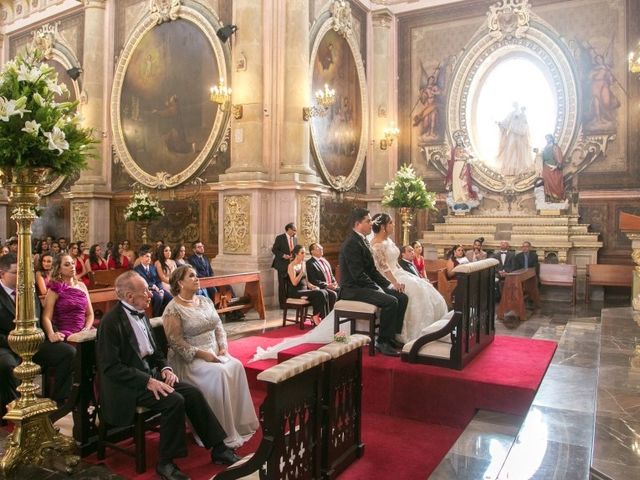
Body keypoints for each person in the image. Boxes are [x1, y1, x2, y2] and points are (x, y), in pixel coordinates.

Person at [96, 271, 240, 480]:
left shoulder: (141, 314)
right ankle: (165, 463)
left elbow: (154, 353)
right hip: (127, 386)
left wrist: (166, 369)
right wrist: (147, 381)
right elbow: (111, 368)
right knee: (174, 401)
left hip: (151, 376)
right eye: (145, 290)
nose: (150, 293)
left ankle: (219, 448)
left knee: (192, 393)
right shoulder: (111, 322)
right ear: (128, 296)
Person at [162, 266, 259, 449]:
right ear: (180, 283)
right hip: (189, 359)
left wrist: (223, 347)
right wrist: (203, 354)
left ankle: (238, 423)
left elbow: (218, 327)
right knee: (219, 373)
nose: (197, 278)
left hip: (214, 352)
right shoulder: (172, 309)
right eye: (191, 276)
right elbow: (176, 342)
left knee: (236, 366)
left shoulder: (205, 301)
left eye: (197, 275)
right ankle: (219, 430)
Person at [0, 253, 75, 412]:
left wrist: (52, 332)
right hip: (6, 345)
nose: (21, 277)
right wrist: (12, 340)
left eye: (22, 273)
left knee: (68, 352)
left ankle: (59, 402)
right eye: (16, 273)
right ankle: (15, 409)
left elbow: (41, 316)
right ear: (2, 273)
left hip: (33, 343)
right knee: (7, 366)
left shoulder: (28, 289)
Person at [370, 214, 448, 344]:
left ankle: (433, 329)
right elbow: (384, 267)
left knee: (423, 285)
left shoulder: (388, 241)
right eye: (391, 223)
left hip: (398, 272)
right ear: (383, 227)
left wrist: (407, 273)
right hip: (386, 277)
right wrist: (395, 282)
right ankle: (410, 333)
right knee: (415, 290)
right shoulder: (377, 244)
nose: (393, 225)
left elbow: (394, 261)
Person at [340, 209, 408, 356]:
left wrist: (389, 285)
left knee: (402, 297)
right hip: (352, 289)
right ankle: (382, 342)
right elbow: (358, 275)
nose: (372, 224)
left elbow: (372, 271)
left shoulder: (362, 240)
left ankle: (391, 338)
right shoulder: (351, 243)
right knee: (391, 301)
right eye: (368, 221)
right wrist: (378, 289)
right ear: (358, 224)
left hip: (362, 286)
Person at [41, 254, 95, 341]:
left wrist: (86, 329)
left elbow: (90, 314)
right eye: (67, 264)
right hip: (65, 333)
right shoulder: (54, 289)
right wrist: (51, 334)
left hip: (83, 331)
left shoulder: (81, 286)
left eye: (73, 263)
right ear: (59, 269)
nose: (72, 266)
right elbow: (46, 317)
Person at [287, 245, 331, 325]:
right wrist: (301, 272)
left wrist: (312, 286)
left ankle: (323, 317)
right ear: (296, 254)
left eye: (305, 252)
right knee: (320, 293)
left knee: (324, 292)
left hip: (305, 290)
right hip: (296, 292)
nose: (304, 254)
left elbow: (306, 281)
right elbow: (294, 283)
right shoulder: (291, 266)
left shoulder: (303, 263)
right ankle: (315, 316)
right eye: (302, 253)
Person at [497, 103, 533, 176]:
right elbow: (506, 121)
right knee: (510, 149)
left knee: (520, 150)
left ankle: (520, 169)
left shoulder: (523, 114)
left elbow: (526, 124)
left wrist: (523, 130)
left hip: (520, 134)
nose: (516, 106)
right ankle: (510, 169)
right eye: (514, 105)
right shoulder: (512, 113)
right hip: (512, 133)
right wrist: (501, 124)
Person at [134, 250, 172, 317]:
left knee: (170, 297)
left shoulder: (153, 267)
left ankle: (164, 315)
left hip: (158, 288)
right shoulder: (137, 269)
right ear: (141, 258)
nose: (149, 259)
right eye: (147, 256)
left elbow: (158, 280)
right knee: (159, 298)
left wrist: (160, 289)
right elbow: (140, 283)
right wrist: (152, 287)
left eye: (150, 257)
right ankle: (155, 316)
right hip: (147, 290)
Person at [305, 242, 339, 311]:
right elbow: (313, 280)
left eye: (321, 247)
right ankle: (329, 316)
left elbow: (331, 275)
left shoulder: (325, 261)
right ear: (312, 251)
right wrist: (327, 285)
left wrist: (334, 282)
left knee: (343, 291)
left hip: (331, 286)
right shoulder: (310, 263)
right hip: (321, 288)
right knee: (333, 294)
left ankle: (340, 314)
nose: (321, 248)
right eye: (318, 248)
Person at [446, 132, 477, 204]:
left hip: (464, 166)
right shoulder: (453, 150)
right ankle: (457, 197)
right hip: (456, 166)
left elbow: (473, 158)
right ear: (456, 141)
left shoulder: (466, 149)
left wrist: (469, 160)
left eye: (460, 140)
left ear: (462, 140)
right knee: (456, 180)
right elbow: (448, 157)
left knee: (463, 181)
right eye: (457, 140)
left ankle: (464, 197)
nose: (459, 141)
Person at [271, 223, 297, 309]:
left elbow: (296, 250)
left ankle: (291, 303)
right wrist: (283, 255)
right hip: (282, 265)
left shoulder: (295, 239)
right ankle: (283, 304)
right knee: (282, 285)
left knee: (291, 285)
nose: (295, 232)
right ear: (288, 229)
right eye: (294, 230)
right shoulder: (280, 238)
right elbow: (274, 249)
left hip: (292, 265)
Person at [541, 134, 565, 202]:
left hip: (553, 168)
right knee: (547, 183)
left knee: (555, 183)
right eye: (546, 139)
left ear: (552, 138)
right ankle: (550, 198)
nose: (547, 140)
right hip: (546, 167)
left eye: (548, 138)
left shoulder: (555, 147)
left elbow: (559, 158)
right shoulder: (545, 147)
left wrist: (556, 166)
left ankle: (557, 198)